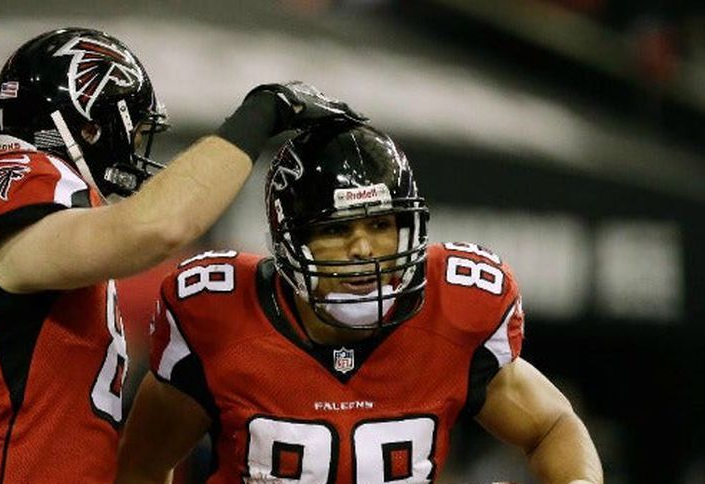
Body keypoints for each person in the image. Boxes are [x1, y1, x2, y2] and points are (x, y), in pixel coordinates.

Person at [0, 27, 364, 483]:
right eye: (134, 133)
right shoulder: (8, 179)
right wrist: (263, 112)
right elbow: (159, 226)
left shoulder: (41, 216)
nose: (134, 150)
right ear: (89, 127)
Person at [117, 122, 604, 483]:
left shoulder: (454, 309)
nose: (364, 249)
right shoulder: (220, 316)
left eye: (380, 224)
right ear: (290, 241)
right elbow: (141, 467)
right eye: (336, 229)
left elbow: (552, 426)